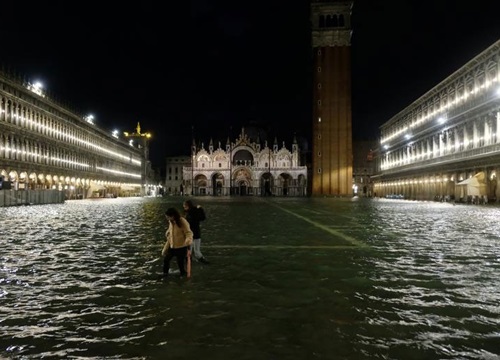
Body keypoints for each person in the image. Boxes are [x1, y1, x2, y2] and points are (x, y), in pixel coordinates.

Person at [161, 207, 193, 278]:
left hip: (181, 246)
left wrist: (188, 240)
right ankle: (165, 274)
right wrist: (165, 248)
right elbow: (170, 235)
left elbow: (188, 232)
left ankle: (183, 275)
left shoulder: (182, 221)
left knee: (180, 263)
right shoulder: (171, 222)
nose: (167, 218)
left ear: (173, 216)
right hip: (172, 246)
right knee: (166, 260)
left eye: (168, 217)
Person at [183, 200, 209, 264]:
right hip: (196, 233)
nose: (184, 208)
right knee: (196, 250)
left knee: (190, 250)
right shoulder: (196, 211)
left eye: (185, 206)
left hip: (190, 234)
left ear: (188, 206)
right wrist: (200, 209)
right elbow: (203, 218)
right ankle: (203, 261)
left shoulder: (189, 213)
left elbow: (187, 223)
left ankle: (189, 262)